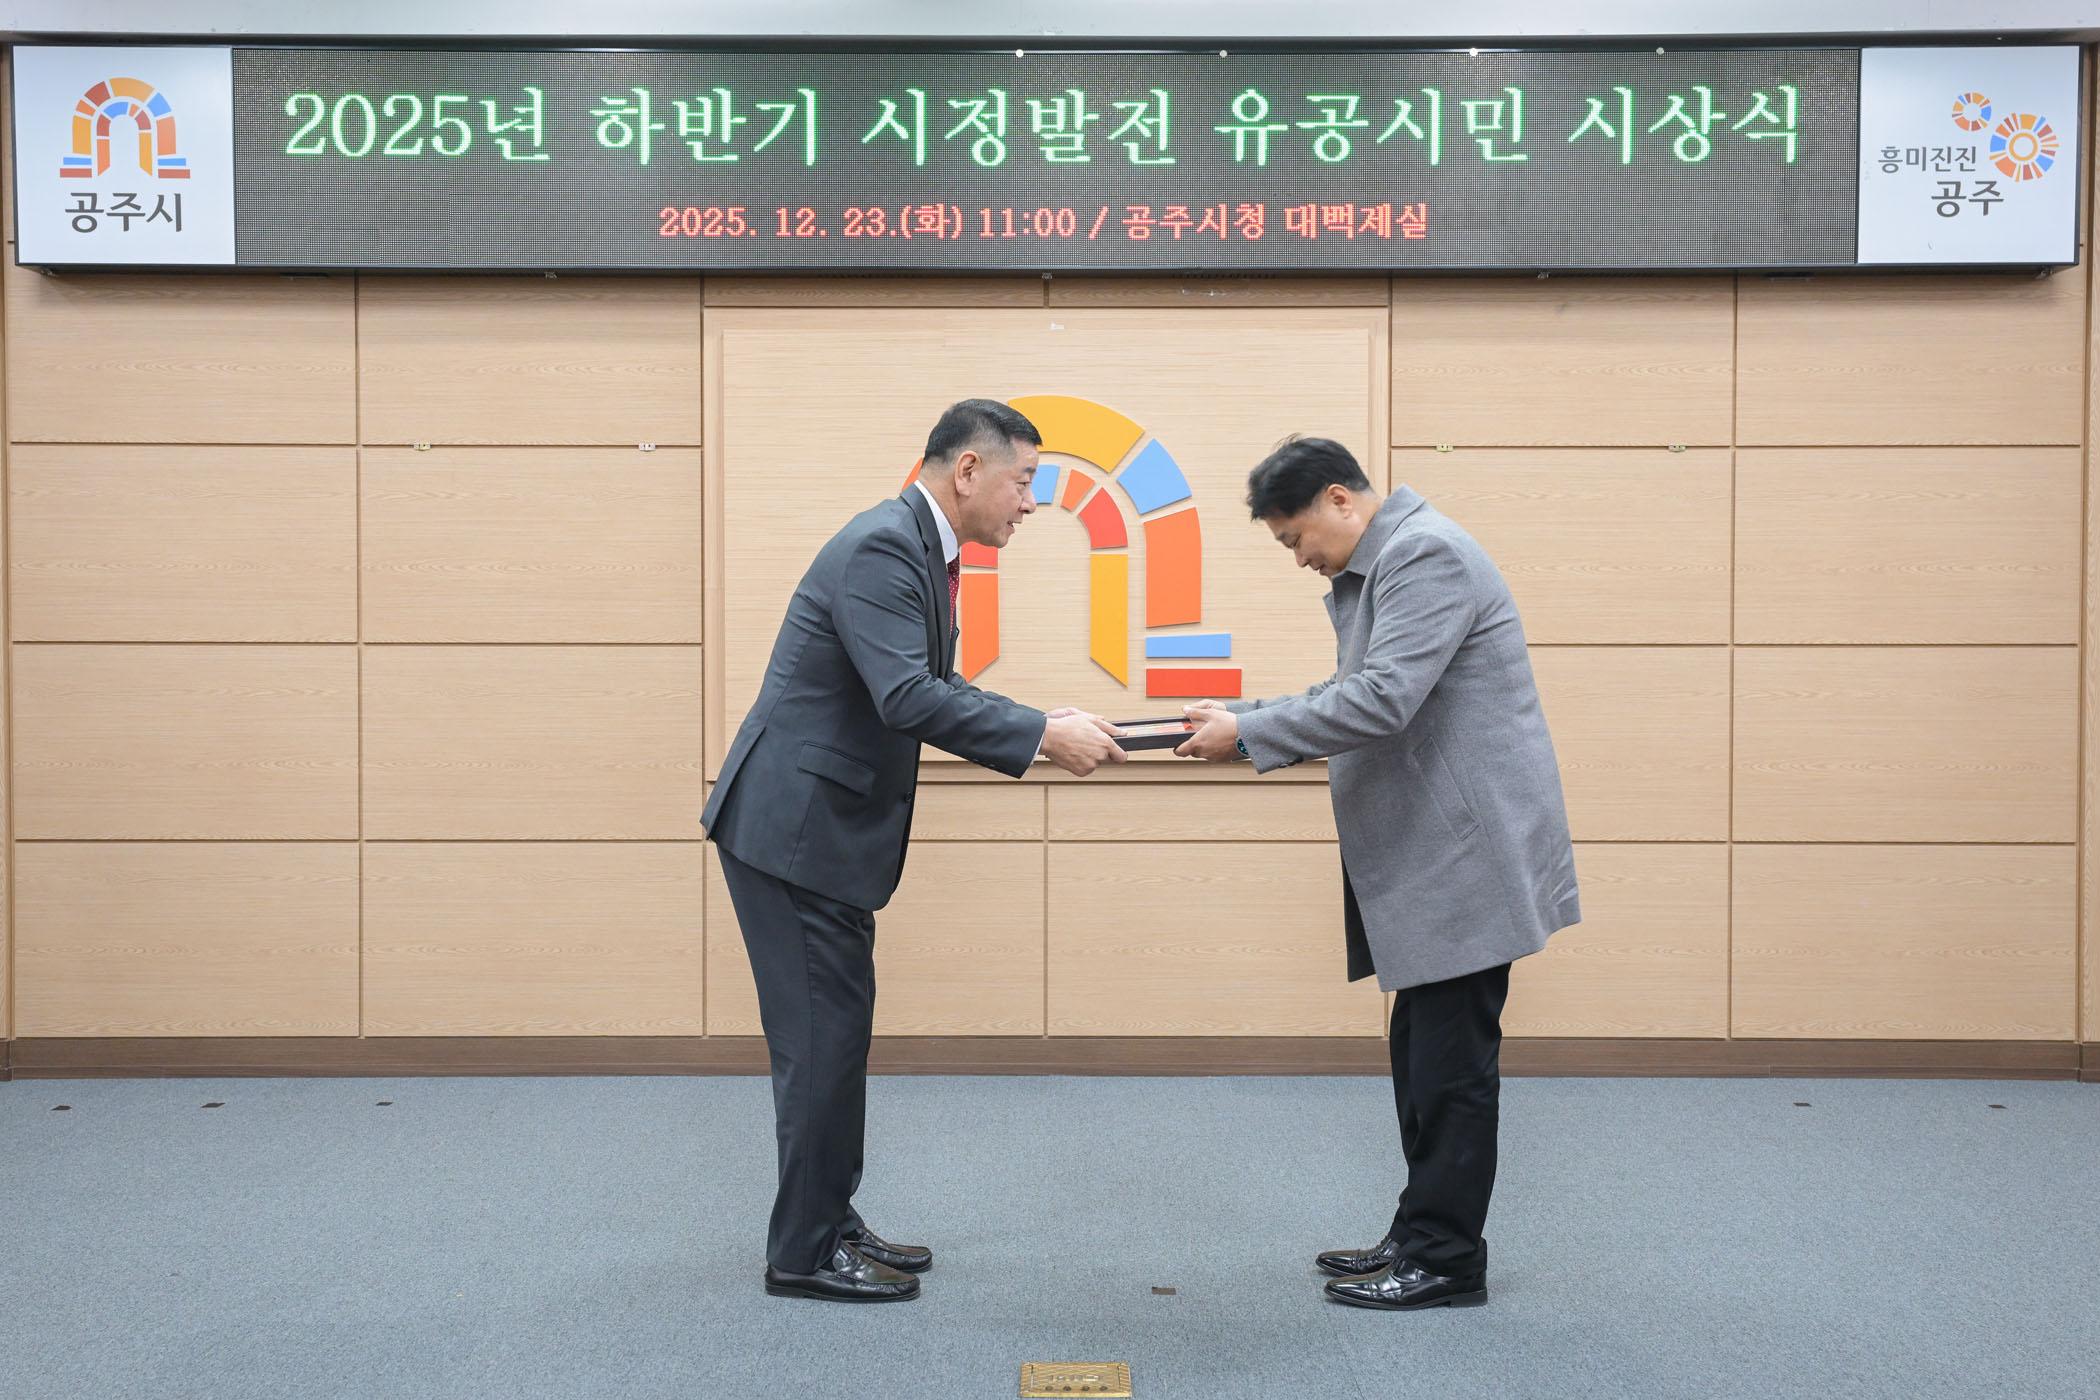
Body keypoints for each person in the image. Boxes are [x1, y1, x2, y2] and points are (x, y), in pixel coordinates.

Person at [702, 399, 1126, 1304]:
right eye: (1023, 483)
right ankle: (802, 1252)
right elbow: (906, 697)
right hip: (792, 834)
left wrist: (1039, 721)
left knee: (836, 1038)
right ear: (968, 470)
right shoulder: (884, 547)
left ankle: (828, 1217)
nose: (1030, 504)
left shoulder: (919, 548)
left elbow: (930, 686)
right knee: (820, 1046)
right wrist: (1039, 735)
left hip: (817, 833)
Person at [1176, 436, 1578, 1312]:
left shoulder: (1426, 554)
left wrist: (1248, 734)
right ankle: (1419, 1230)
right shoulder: (1389, 561)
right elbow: (1351, 687)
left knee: (1452, 1066)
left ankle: (1446, 1260)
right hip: (1439, 852)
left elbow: (1382, 699)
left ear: (1339, 499)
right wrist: (1245, 718)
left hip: (1466, 853)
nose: (1300, 559)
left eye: (1296, 539)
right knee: (1422, 1056)